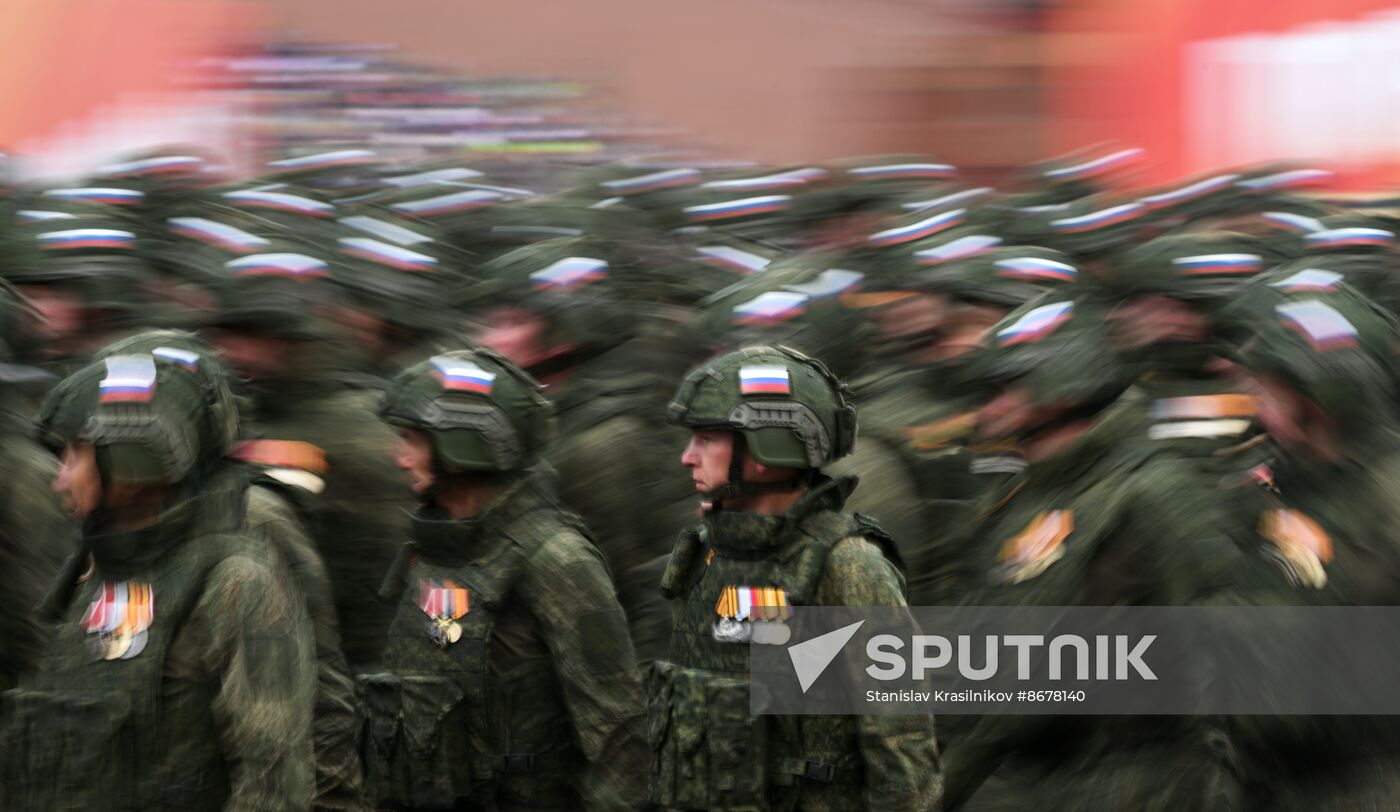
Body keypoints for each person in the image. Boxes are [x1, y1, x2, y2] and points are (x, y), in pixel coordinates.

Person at [942, 296, 1247, 811]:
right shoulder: (1021, 492)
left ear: (1062, 388)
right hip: (1023, 778)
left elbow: (1223, 660)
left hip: (1134, 786)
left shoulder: (1155, 491)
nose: (986, 408)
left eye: (1003, 388)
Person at [6, 343, 317, 810]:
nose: (59, 478)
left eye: (74, 455)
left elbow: (272, 783)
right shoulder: (90, 571)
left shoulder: (235, 583)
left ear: (132, 462)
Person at [651, 345, 942, 811]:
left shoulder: (848, 565)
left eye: (707, 439)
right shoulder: (705, 550)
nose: (688, 457)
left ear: (768, 447)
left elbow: (900, 740)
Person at [360, 349, 647, 810]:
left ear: (465, 442)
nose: (400, 458)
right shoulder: (431, 550)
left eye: (413, 439)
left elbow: (619, 733)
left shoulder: (556, 561)